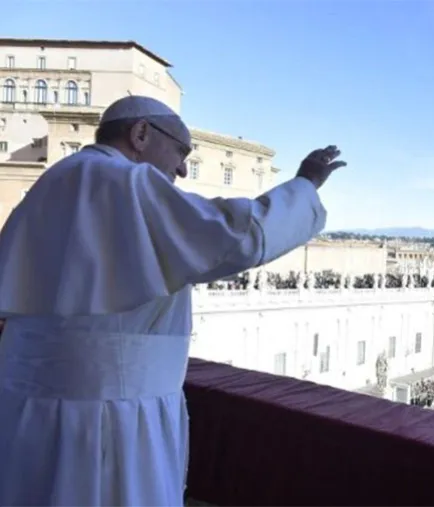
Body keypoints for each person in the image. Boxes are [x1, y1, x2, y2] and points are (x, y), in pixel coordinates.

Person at [0, 95, 346, 505]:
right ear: (141, 133)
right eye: (182, 151)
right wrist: (305, 185)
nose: (182, 168)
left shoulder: (55, 180)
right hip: (111, 417)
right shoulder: (124, 181)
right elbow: (237, 236)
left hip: (29, 409)